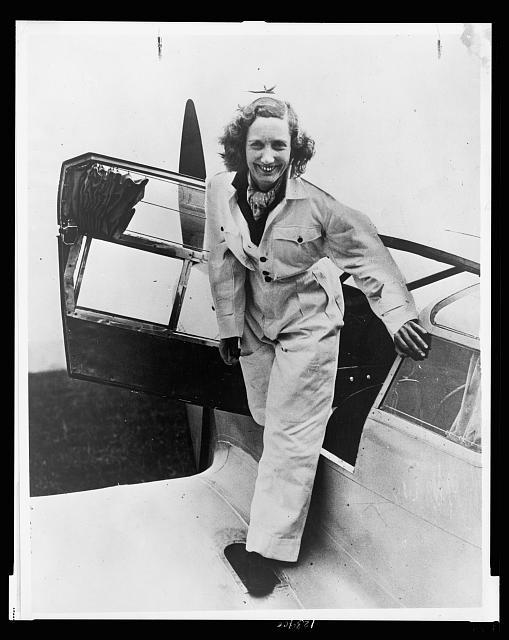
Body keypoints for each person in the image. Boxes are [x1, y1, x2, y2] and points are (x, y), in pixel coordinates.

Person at [204, 96, 429, 596]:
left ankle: (264, 553)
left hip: (309, 322)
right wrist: (227, 324)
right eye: (257, 143)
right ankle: (278, 505)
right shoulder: (219, 189)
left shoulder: (319, 207)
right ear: (239, 148)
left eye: (278, 145)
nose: (267, 156)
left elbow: (369, 256)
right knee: (265, 414)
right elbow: (220, 255)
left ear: (294, 152)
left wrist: (398, 316)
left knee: (291, 436)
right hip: (258, 322)